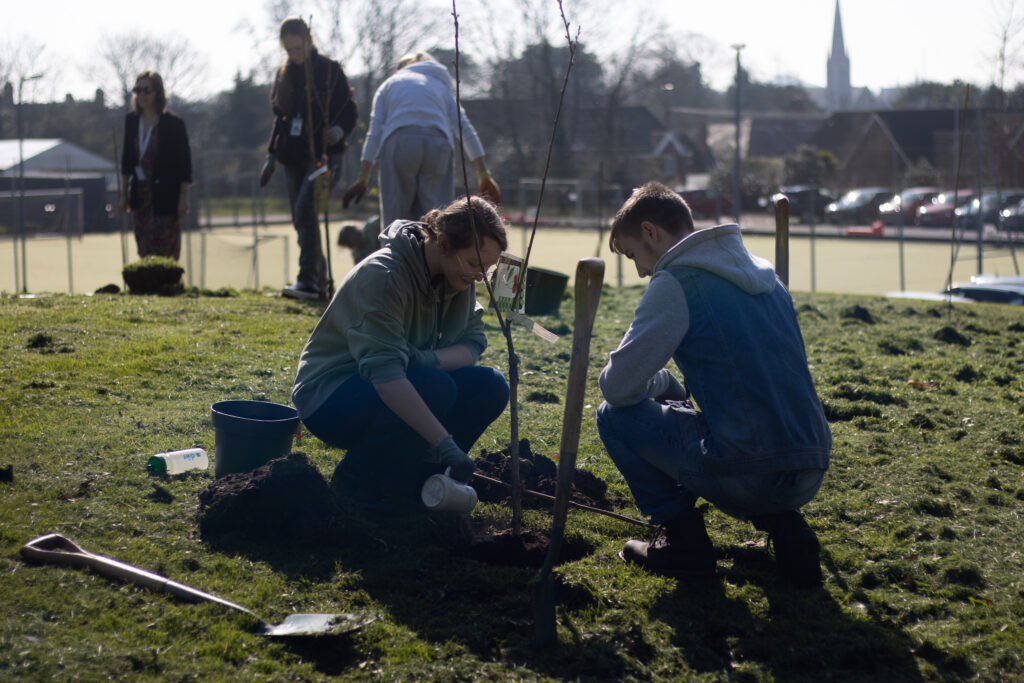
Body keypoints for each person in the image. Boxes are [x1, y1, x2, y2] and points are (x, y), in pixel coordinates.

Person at [595, 182, 831, 587]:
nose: (640, 270)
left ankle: (685, 543)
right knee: (723, 420)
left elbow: (618, 387)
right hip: (811, 464)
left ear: (651, 232)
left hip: (751, 471)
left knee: (613, 417)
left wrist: (662, 381)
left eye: (634, 254)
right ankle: (789, 528)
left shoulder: (677, 281)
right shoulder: (767, 277)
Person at [292, 196, 510, 510]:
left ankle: (423, 477)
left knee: (490, 385)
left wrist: (430, 359)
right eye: (475, 264)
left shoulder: (458, 275)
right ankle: (356, 480)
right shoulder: (384, 278)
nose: (479, 276)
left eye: (487, 269)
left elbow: (473, 342)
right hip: (332, 398)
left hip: (406, 380)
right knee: (436, 387)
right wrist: (446, 444)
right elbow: (387, 377)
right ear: (444, 243)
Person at [341, 51, 500, 230]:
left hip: (399, 142)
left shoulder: (389, 85)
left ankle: (395, 254)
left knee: (396, 222)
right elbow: (464, 128)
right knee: (438, 220)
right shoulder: (441, 86)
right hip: (438, 145)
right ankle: (438, 252)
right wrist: (483, 173)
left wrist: (363, 176)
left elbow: (374, 132)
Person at [260, 16, 358, 301]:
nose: (295, 55)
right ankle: (319, 280)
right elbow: (281, 119)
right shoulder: (285, 75)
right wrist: (271, 154)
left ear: (308, 39)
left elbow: (349, 110)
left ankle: (307, 280)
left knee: (306, 210)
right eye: (289, 51)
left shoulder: (328, 70)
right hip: (293, 156)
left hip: (324, 158)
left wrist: (339, 130)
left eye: (298, 48)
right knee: (301, 219)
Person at [120, 70, 192, 260]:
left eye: (147, 90)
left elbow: (184, 164)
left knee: (166, 248)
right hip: (140, 196)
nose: (142, 95)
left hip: (165, 196)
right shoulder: (131, 121)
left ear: (158, 93)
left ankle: (169, 287)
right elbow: (127, 161)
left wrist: (183, 198)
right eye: (138, 90)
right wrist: (123, 194)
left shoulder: (173, 124)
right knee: (144, 247)